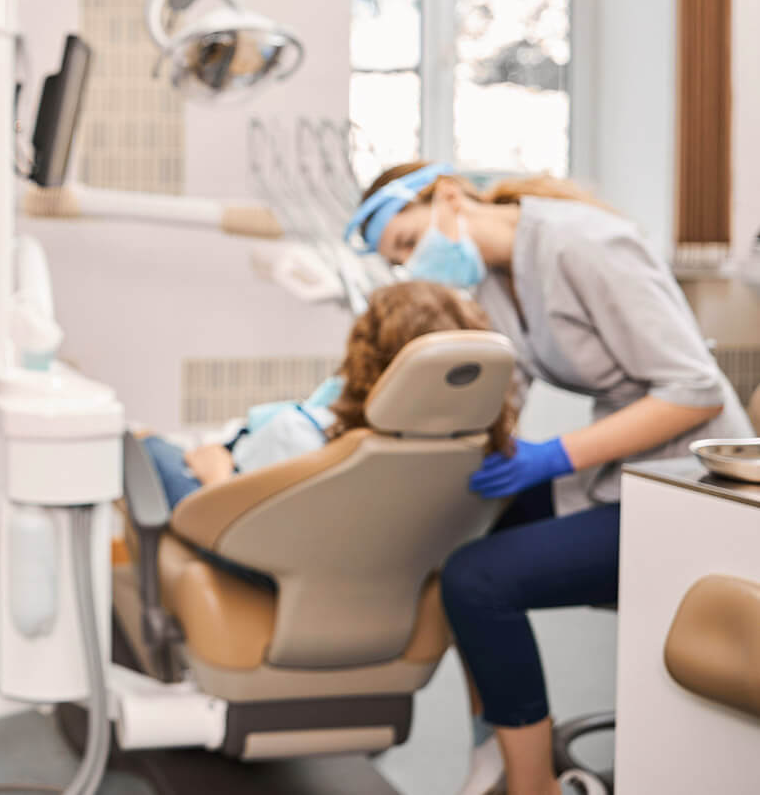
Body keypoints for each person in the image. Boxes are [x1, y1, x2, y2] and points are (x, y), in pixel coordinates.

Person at [347, 162, 753, 795]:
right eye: (397, 262)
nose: (411, 264)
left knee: (477, 580)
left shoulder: (580, 244)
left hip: (684, 485)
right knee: (454, 539)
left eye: (407, 242)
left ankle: (529, 784)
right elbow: (504, 391)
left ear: (448, 195)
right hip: (617, 473)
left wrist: (553, 457)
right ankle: (500, 743)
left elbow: (695, 390)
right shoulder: (496, 280)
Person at [142, 280, 516, 507]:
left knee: (146, 446)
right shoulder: (477, 448)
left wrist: (216, 476)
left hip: (251, 544)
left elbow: (231, 526)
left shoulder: (300, 437)